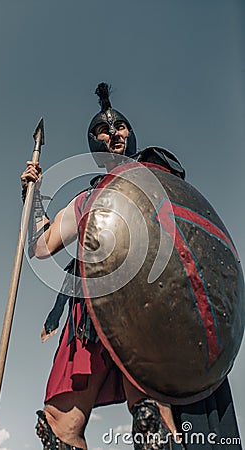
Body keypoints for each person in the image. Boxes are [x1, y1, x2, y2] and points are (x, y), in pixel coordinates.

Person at [21, 83, 242, 450]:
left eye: (120, 126)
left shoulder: (157, 179)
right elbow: (42, 246)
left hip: (150, 305)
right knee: (58, 424)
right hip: (90, 310)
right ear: (93, 144)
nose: (113, 133)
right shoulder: (85, 200)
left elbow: (186, 246)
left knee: (151, 412)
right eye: (103, 130)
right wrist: (33, 196)